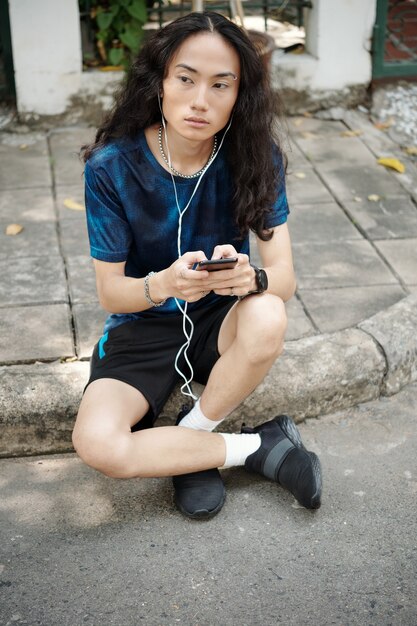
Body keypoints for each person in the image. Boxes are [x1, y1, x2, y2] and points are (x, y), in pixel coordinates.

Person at [72, 11, 322, 519]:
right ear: (160, 82)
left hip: (219, 319)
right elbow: (111, 293)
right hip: (141, 325)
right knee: (98, 444)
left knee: (268, 312)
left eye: (221, 85)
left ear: (239, 96)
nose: (200, 100)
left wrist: (250, 278)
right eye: (186, 79)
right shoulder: (111, 167)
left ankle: (193, 438)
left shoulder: (255, 156)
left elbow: (284, 277)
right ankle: (258, 448)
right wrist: (162, 284)